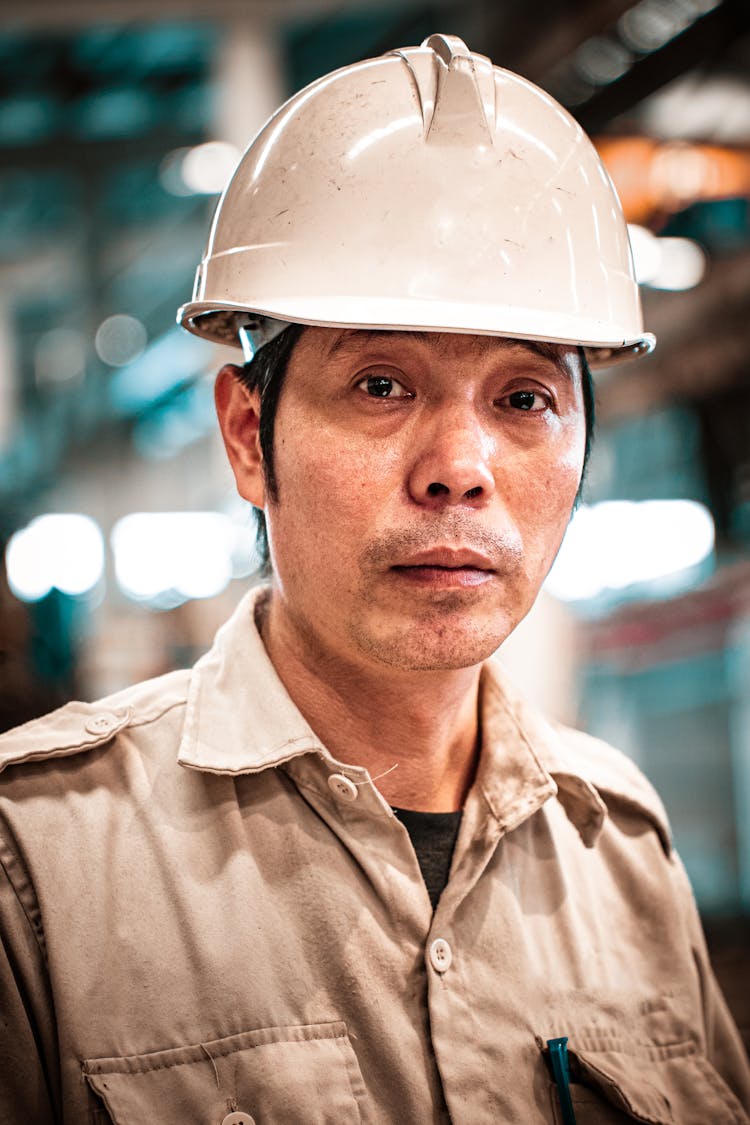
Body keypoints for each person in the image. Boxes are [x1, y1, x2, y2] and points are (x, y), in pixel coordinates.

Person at [0, 33, 748, 1125]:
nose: (459, 471)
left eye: (525, 400)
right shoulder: (38, 871)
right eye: (384, 384)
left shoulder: (622, 849)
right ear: (250, 436)